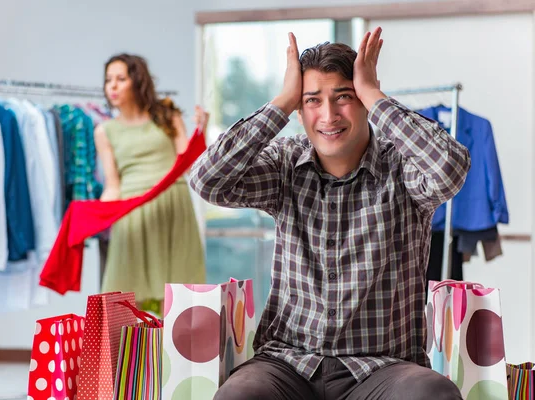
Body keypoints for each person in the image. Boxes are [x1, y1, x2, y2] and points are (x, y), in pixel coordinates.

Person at [189, 27, 470, 399]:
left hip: (382, 367)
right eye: (312, 101)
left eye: (344, 97)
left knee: (432, 393)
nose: (328, 115)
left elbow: (449, 168)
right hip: (288, 363)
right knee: (236, 396)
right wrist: (282, 104)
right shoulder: (285, 164)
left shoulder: (402, 166)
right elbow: (207, 180)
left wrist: (373, 94)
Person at [96, 53, 207, 314]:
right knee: (125, 296)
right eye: (108, 80)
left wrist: (202, 129)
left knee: (179, 294)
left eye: (120, 78)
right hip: (132, 211)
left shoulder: (166, 115)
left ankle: (178, 353)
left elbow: (191, 166)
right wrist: (94, 217)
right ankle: (133, 355)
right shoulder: (104, 131)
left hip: (173, 205)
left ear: (137, 81)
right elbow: (112, 185)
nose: (112, 86)